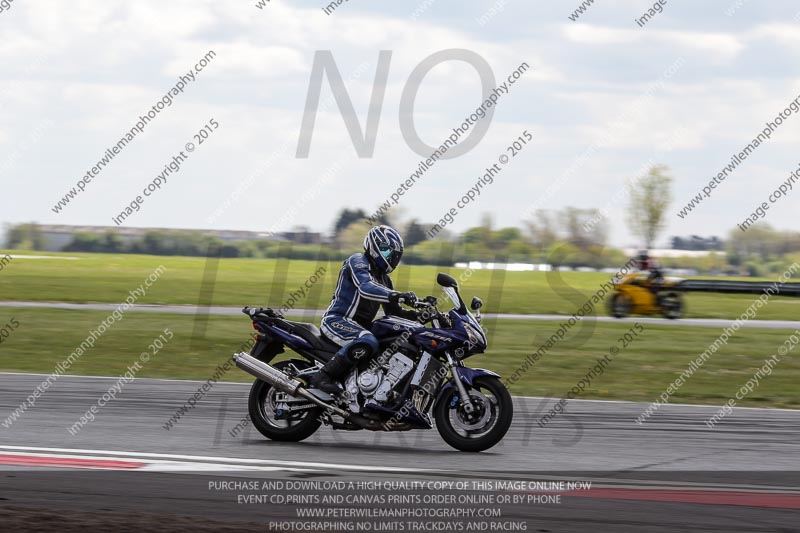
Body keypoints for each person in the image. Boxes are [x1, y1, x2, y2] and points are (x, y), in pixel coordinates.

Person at [310, 225, 419, 394]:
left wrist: (421, 315)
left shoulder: (384, 279)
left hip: (359, 328)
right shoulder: (358, 261)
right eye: (388, 252)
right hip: (337, 320)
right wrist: (396, 294)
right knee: (368, 340)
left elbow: (395, 313)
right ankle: (322, 376)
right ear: (375, 246)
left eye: (395, 255)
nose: (392, 257)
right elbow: (366, 287)